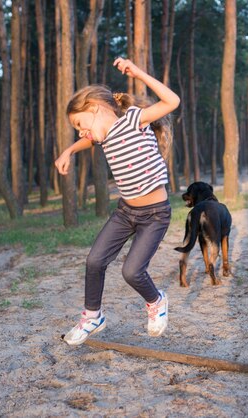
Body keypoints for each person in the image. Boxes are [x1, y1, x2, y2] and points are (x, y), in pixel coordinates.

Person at [55, 57, 180, 345]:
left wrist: (138, 73)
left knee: (132, 271)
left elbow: (171, 101)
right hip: (125, 213)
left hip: (155, 215)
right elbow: (90, 140)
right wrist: (69, 151)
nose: (80, 131)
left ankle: (157, 301)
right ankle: (92, 316)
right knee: (94, 260)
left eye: (79, 123)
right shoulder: (103, 136)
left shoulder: (134, 119)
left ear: (95, 109)